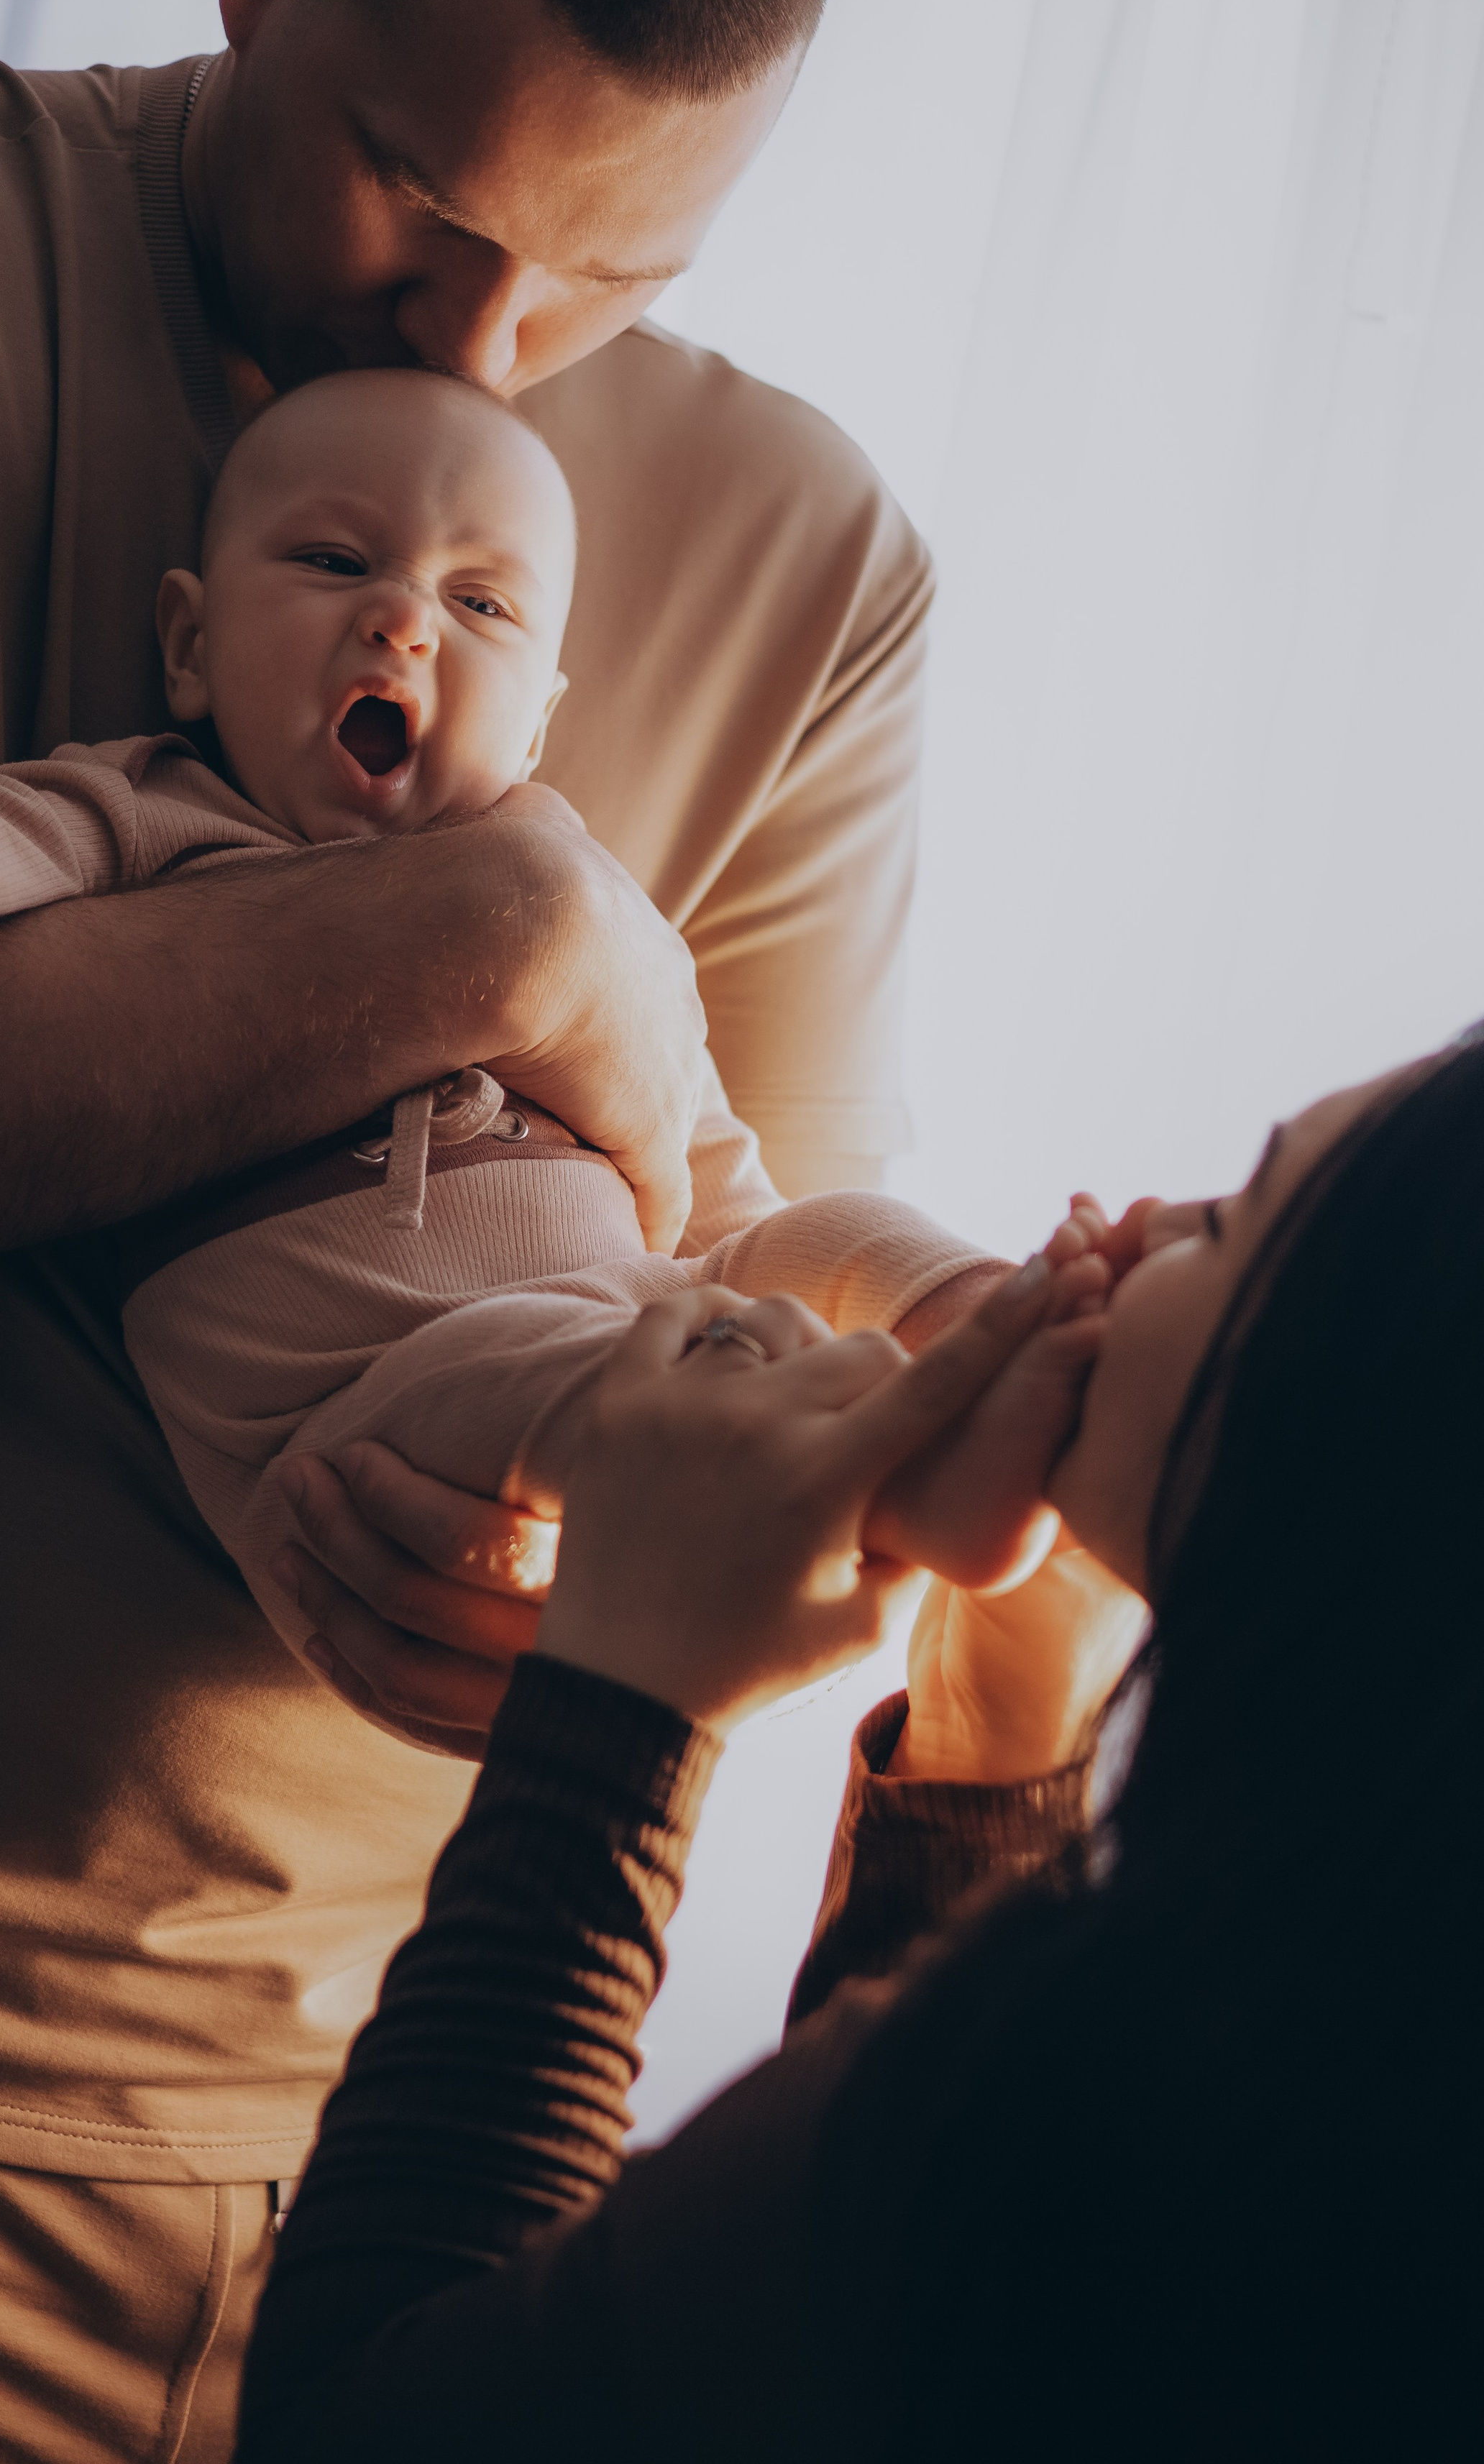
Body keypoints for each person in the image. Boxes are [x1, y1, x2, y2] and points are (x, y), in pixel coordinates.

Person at [0, 0, 1035, 2454]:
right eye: (425, 200)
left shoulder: (824, 563)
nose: (492, 345)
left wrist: (620, 1596)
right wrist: (507, 928)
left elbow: (747, 1284)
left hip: (393, 2149)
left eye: (605, 277)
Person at [237, 1035, 1484, 2458]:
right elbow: (857, 2339)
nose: (1129, 1222)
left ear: (1361, 1420)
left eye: (1230, 1219)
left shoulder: (1173, 2097)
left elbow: (357, 2416)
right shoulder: (1358, 2055)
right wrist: (992, 1750)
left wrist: (618, 1712)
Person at [0, 366, 1012, 1693]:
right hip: (369, 1399)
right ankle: (874, 1466)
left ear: (542, 719)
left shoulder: (564, 877)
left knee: (809, 1239)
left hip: (643, 1305)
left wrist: (765, 1251)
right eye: (337, 562)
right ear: (192, 644)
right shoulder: (162, 815)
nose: (402, 621)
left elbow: (701, 1138)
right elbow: (0, 835)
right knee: (565, 1388)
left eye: (481, 603)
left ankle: (982, 1337)